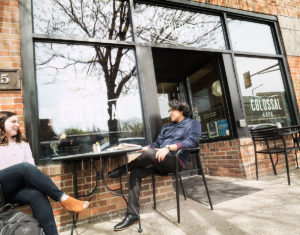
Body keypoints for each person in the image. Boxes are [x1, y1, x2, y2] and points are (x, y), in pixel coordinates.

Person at [108, 100, 201, 231]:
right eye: (169, 111)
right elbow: (157, 144)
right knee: (136, 173)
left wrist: (169, 147)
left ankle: (124, 168)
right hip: (157, 160)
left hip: (175, 161)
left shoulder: (193, 124)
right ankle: (132, 215)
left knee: (150, 154)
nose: (169, 113)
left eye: (171, 110)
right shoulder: (166, 127)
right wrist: (146, 147)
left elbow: (192, 141)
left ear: (181, 110)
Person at [0, 111, 90, 235]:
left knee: (37, 194)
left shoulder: (23, 142)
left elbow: (31, 165)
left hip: (18, 189)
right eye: (13, 122)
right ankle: (63, 198)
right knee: (24, 168)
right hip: (2, 188)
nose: (17, 125)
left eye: (18, 122)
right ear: (2, 123)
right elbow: (25, 168)